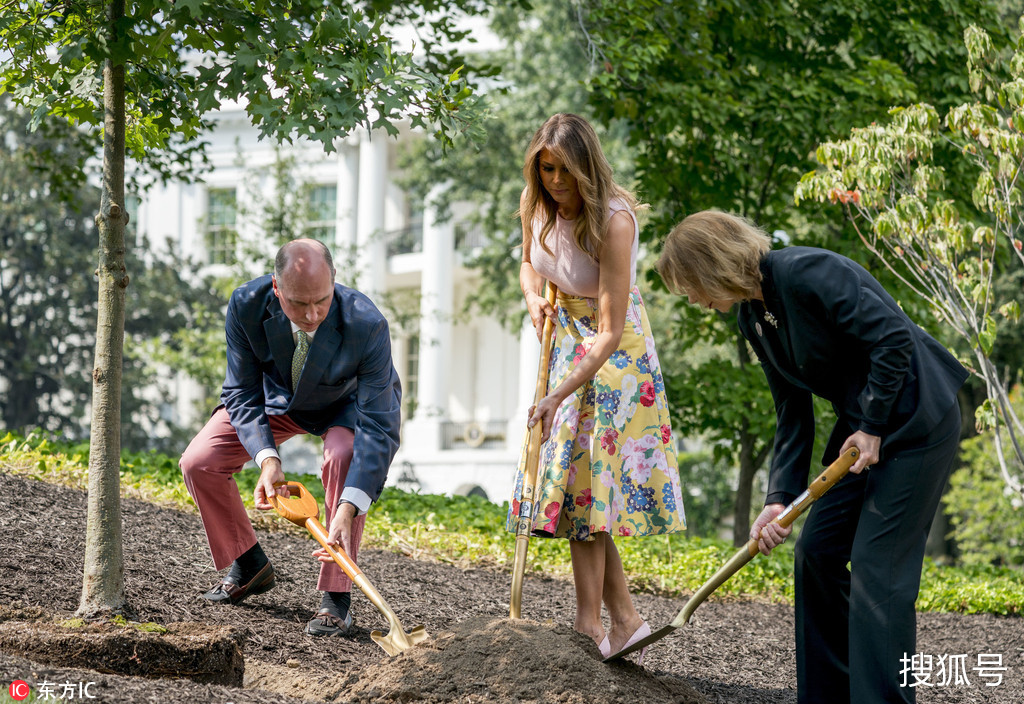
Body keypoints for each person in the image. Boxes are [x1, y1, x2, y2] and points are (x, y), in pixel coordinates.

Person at [657, 210, 968, 703]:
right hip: (862, 430)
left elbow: (893, 339)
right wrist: (778, 498)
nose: (693, 300)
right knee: (816, 551)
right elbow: (792, 409)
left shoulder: (807, 272)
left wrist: (871, 426)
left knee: (876, 569)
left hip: (915, 419)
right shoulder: (752, 317)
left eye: (691, 286)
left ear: (713, 264)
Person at [509, 113, 687, 662]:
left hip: (613, 359)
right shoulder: (534, 202)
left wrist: (559, 394)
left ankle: (590, 626)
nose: (555, 181)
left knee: (585, 495)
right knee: (578, 494)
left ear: (587, 167)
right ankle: (623, 619)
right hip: (563, 339)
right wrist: (534, 297)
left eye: (565, 170)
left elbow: (610, 331)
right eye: (546, 169)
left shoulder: (615, 222)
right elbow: (526, 264)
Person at [180, 238, 401, 637]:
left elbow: (377, 423)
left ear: (334, 280)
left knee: (344, 453)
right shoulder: (246, 303)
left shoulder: (367, 324)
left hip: (345, 404)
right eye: (298, 304)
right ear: (276, 287)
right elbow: (242, 390)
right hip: (277, 399)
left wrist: (347, 508)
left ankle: (336, 597)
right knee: (199, 462)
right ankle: (248, 563)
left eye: (321, 300)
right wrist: (268, 458)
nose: (312, 314)